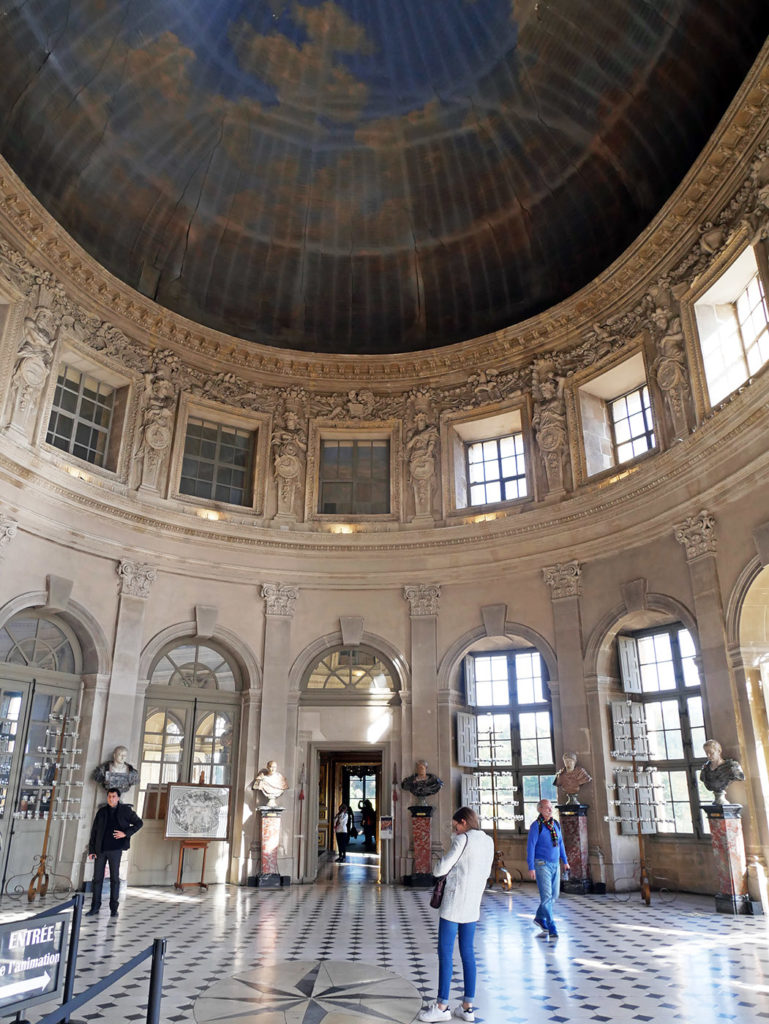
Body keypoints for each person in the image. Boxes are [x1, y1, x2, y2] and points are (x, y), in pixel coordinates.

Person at [418, 806, 494, 1023]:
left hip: (454, 903)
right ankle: (467, 1007)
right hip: (472, 903)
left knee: (445, 952)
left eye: (455, 826)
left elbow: (440, 868)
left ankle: (442, 1006)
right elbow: (486, 872)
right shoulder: (488, 841)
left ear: (463, 822)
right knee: (468, 953)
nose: (455, 830)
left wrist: (442, 862)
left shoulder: (463, 840)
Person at [87, 788, 143, 919]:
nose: (111, 799)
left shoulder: (125, 810)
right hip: (100, 850)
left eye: (113, 796)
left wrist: (126, 833)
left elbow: (139, 823)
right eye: (109, 796)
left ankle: (114, 908)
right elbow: (94, 832)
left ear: (118, 798)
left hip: (116, 850)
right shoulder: (101, 812)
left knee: (115, 879)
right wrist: (91, 850)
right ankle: (95, 907)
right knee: (97, 879)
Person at [527, 798, 569, 938]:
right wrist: (531, 867)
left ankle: (539, 917)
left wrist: (565, 861)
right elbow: (530, 847)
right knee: (546, 897)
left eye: (551, 807)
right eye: (546, 808)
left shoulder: (555, 824)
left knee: (554, 896)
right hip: (541, 864)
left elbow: (561, 844)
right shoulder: (536, 826)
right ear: (540, 809)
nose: (550, 810)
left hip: (555, 864)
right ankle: (552, 925)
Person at [700, 739, 745, 804]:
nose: (708, 755)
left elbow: (740, 776)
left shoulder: (731, 767)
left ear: (718, 751)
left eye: (711, 752)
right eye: (706, 753)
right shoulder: (705, 769)